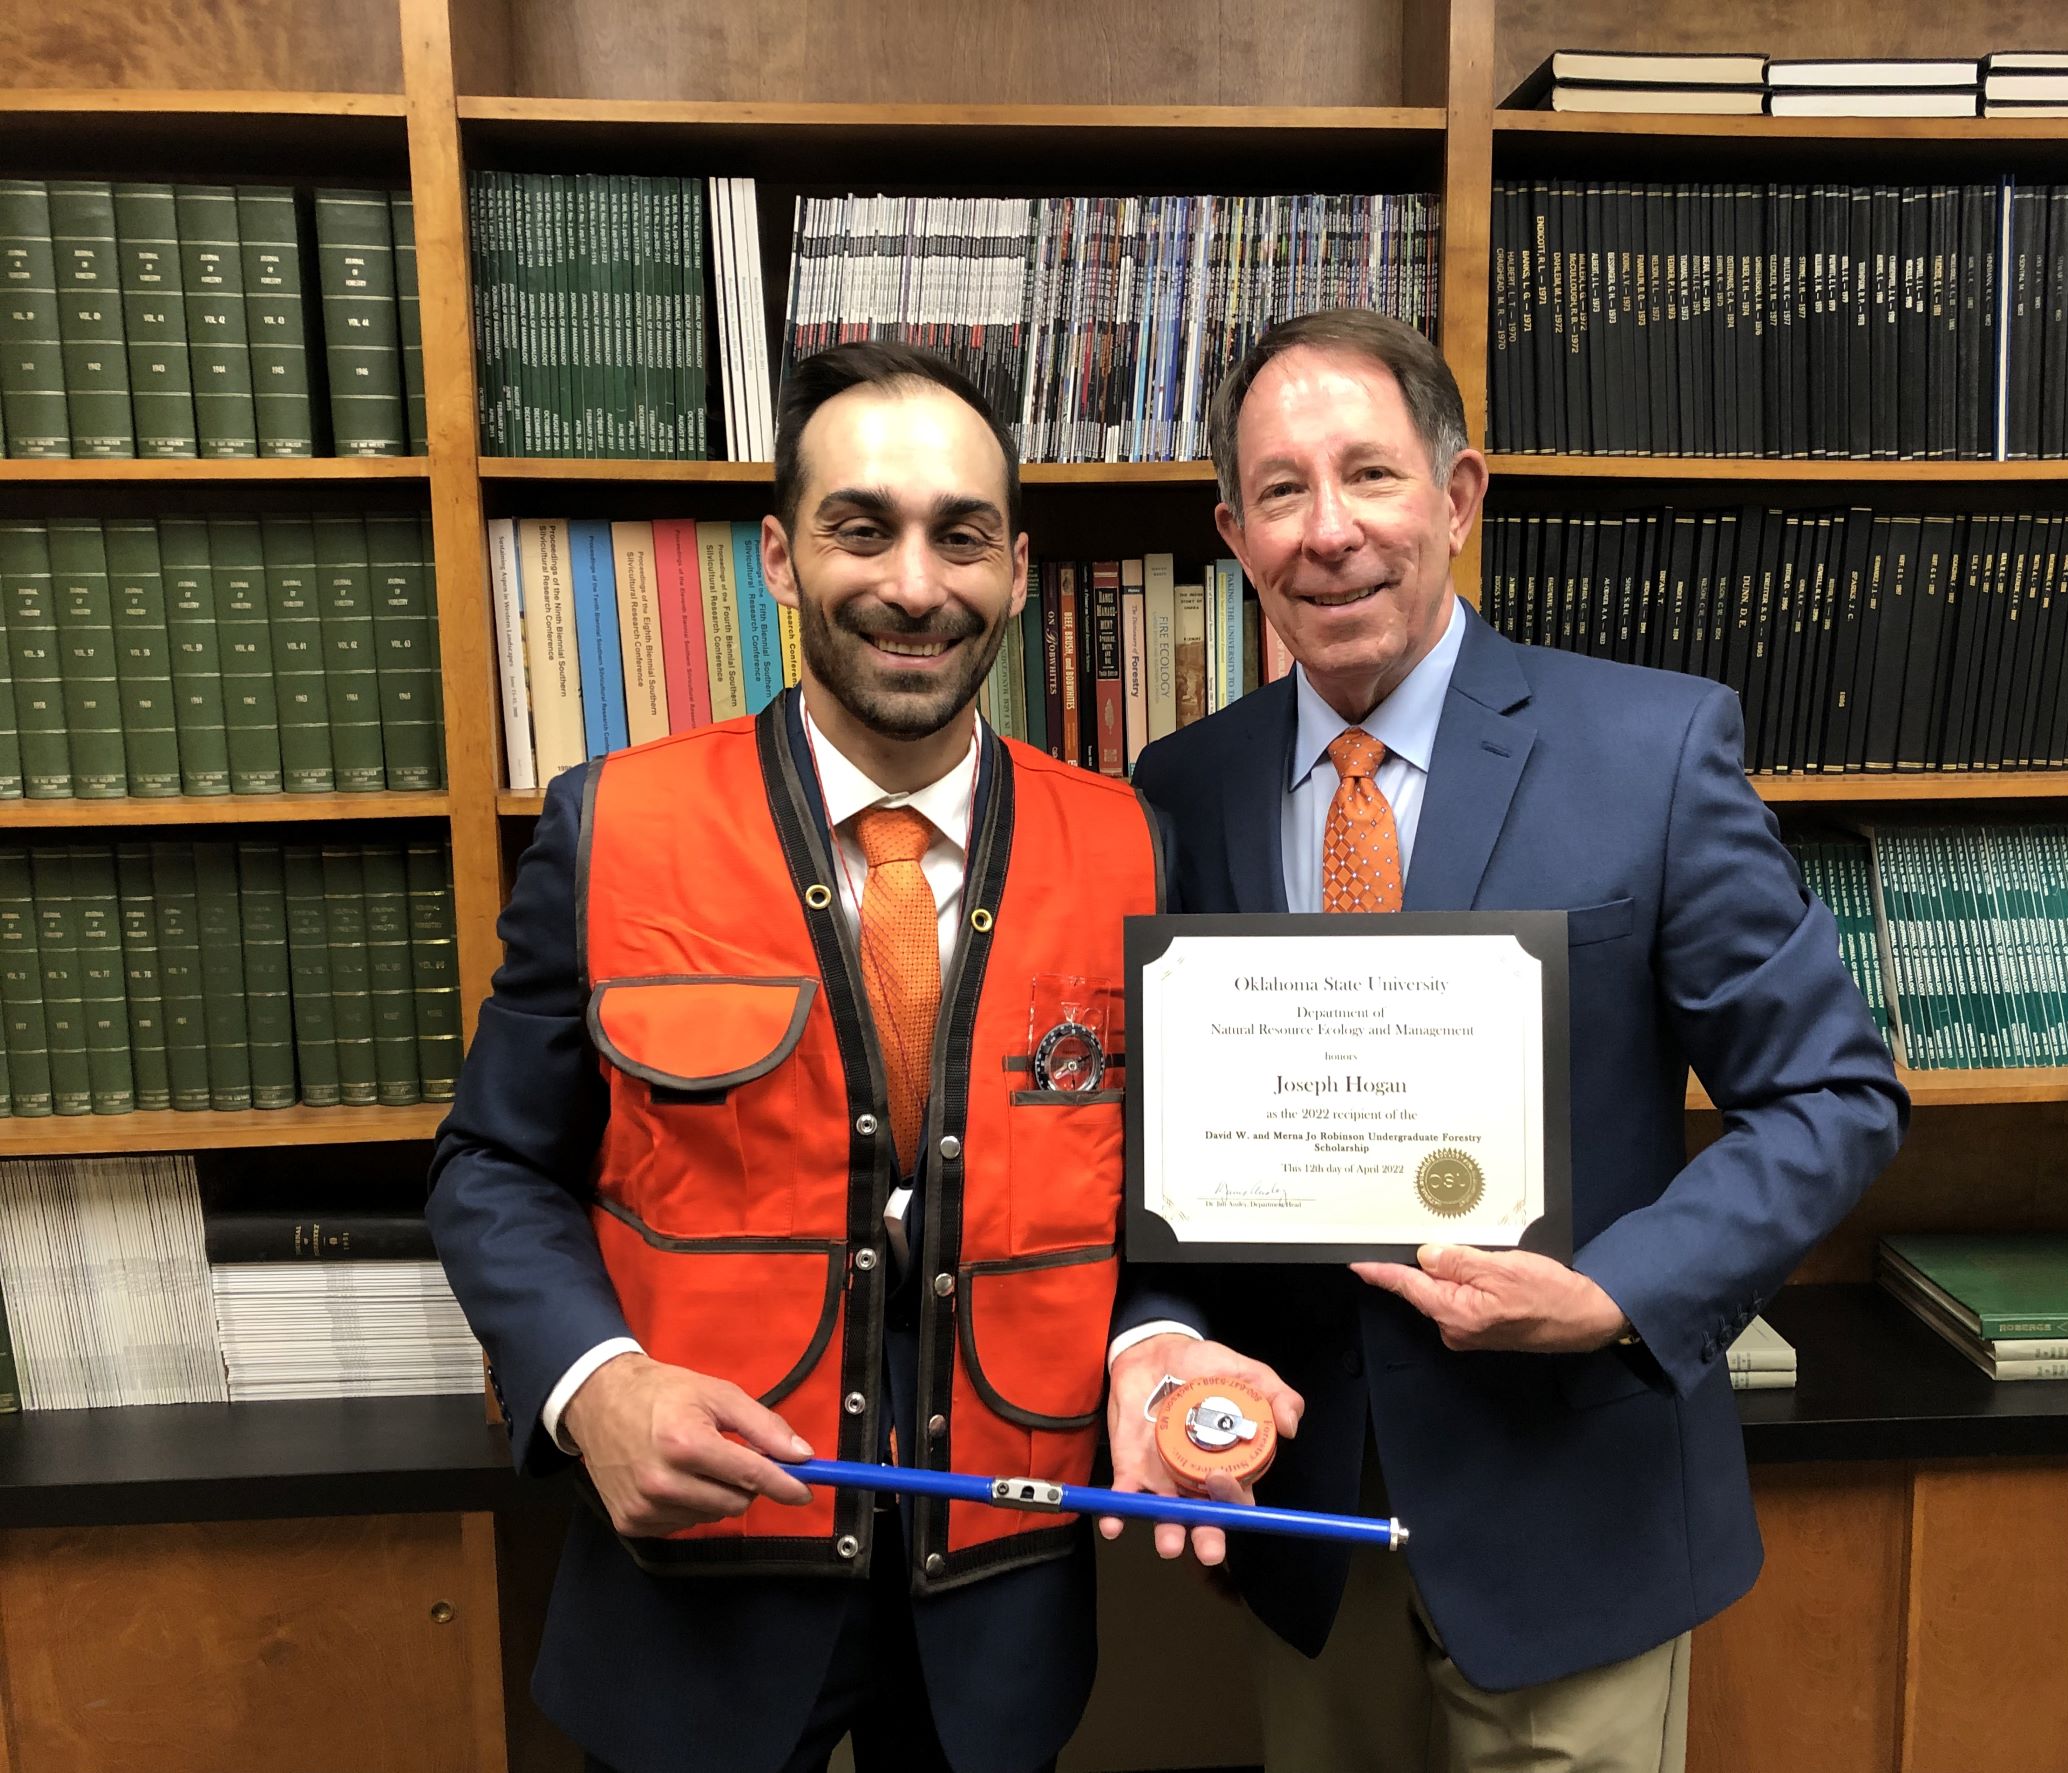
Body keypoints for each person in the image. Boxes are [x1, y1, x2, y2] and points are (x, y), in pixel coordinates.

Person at [1103, 308, 1909, 1773]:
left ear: (1460, 496)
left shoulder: (1651, 751)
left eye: (1371, 475)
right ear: (1234, 531)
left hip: (1575, 1508)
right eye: (1282, 491)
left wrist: (1609, 1294)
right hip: (1306, 1527)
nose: (1329, 531)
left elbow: (1830, 1099)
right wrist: (1158, 1338)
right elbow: (1153, 1152)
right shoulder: (1179, 789)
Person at [427, 341, 1167, 1773]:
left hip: (998, 1610)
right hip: (692, 1597)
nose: (911, 581)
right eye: (859, 526)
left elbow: (1168, 1197)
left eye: (959, 534)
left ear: (1017, 567)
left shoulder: (1135, 844)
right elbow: (493, 1163)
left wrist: (1164, 1343)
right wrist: (596, 1384)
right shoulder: (612, 828)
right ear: (779, 555)